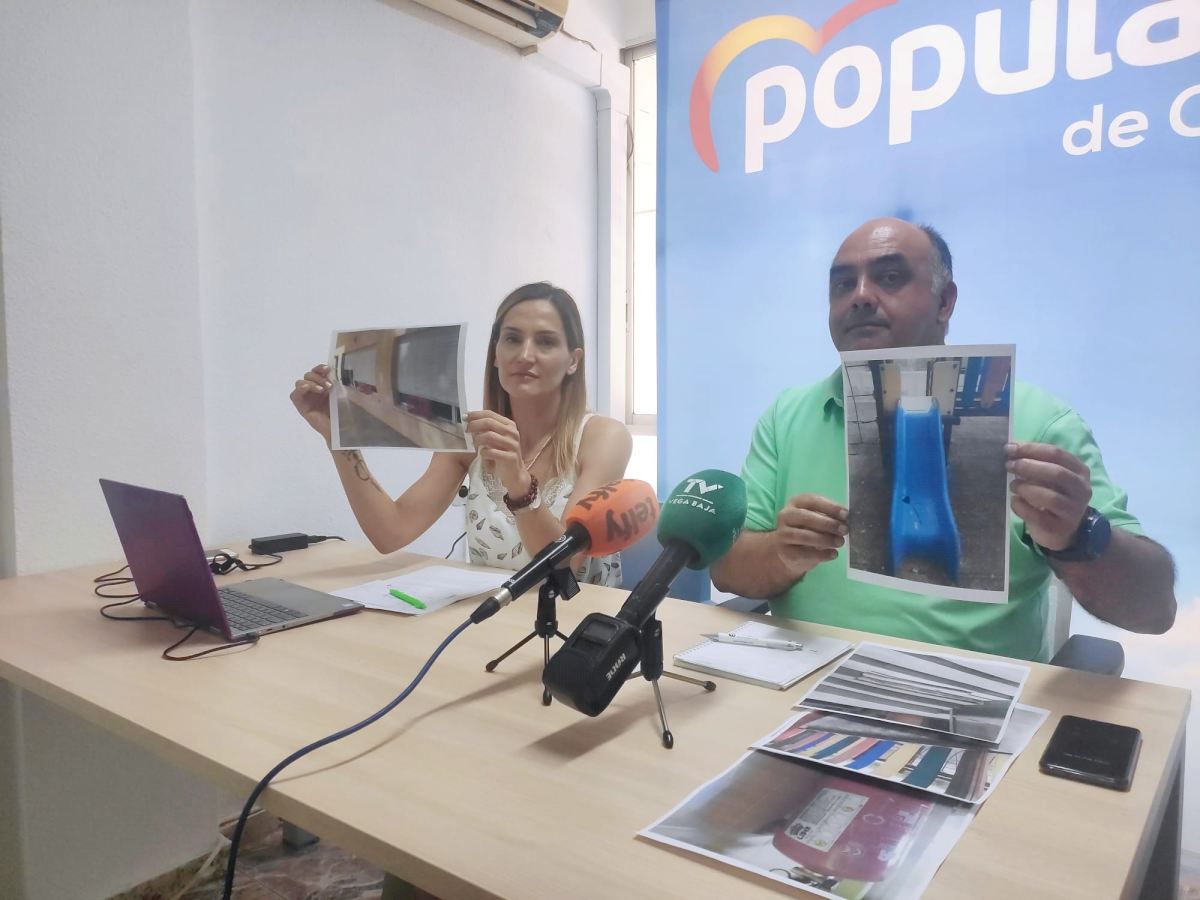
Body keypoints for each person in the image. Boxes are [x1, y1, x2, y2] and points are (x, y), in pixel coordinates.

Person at [711, 218, 1176, 661]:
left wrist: (1077, 536)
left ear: (945, 302)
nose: (860, 296)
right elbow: (727, 569)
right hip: (801, 679)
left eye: (890, 277)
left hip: (967, 695)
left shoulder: (1040, 423)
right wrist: (782, 553)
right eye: (842, 285)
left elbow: (1155, 610)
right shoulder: (788, 416)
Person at [291, 282, 633, 585]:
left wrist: (518, 483)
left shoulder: (604, 437)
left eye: (545, 342)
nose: (525, 355)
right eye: (512, 339)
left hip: (578, 624)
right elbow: (391, 532)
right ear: (496, 354)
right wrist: (338, 439)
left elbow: (566, 563)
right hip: (493, 620)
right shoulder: (472, 438)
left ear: (573, 361)